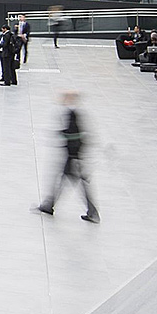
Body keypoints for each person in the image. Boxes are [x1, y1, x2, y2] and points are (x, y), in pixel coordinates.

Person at [36, 91, 98, 222]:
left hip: (73, 157)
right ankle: (49, 205)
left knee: (75, 183)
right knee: (70, 183)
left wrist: (61, 134)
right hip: (73, 157)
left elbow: (75, 135)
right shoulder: (73, 113)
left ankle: (92, 212)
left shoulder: (73, 114)